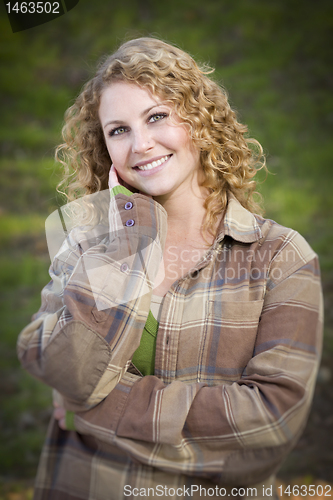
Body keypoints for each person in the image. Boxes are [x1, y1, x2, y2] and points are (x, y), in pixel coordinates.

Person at [17, 37, 323, 500]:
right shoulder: (86, 240)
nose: (141, 144)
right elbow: (62, 368)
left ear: (199, 120)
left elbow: (269, 425)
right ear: (104, 147)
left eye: (157, 117)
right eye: (118, 130)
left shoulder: (280, 256)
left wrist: (94, 412)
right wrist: (127, 244)